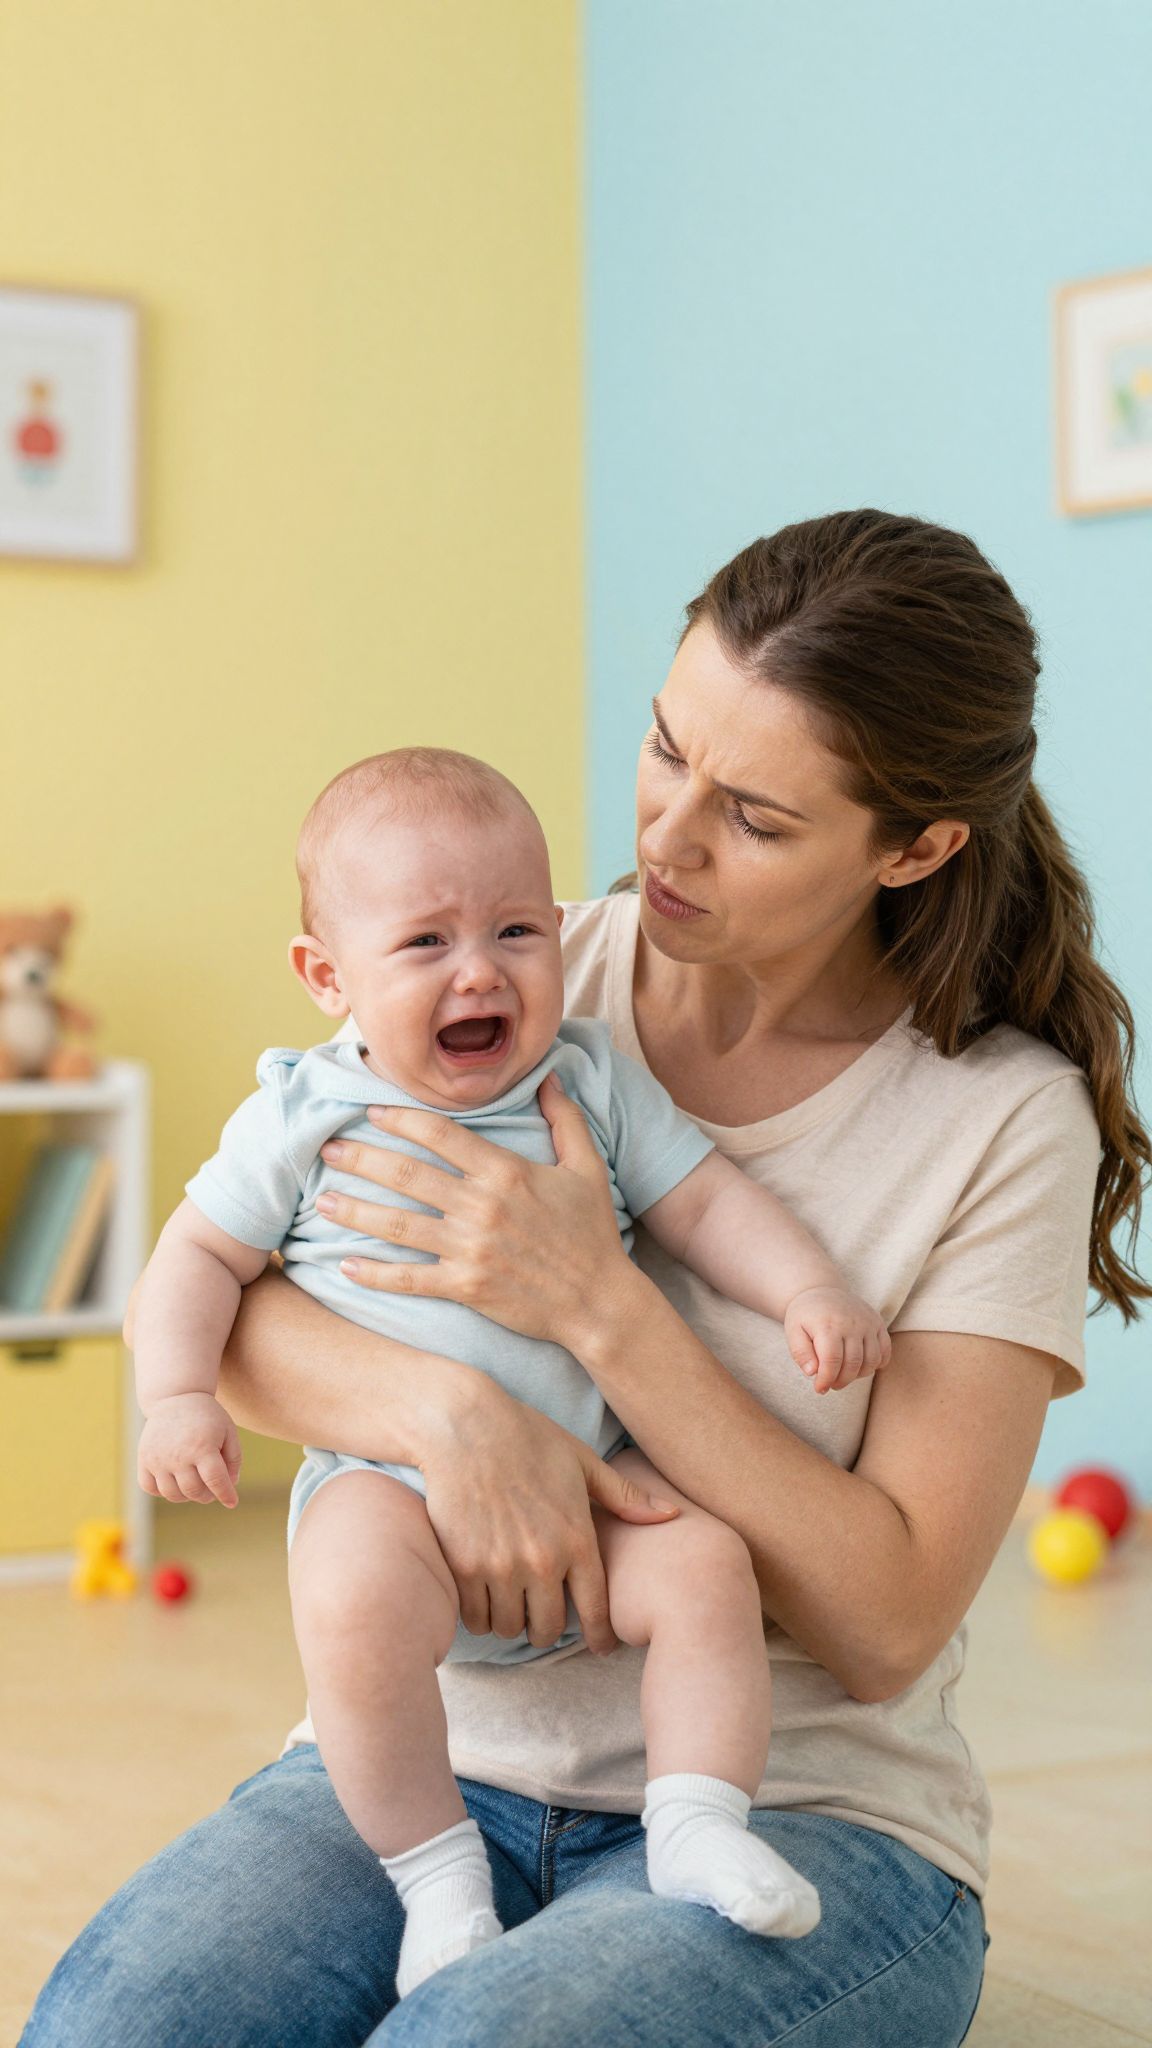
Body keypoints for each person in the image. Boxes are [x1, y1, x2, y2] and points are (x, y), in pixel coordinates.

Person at [21, 509, 1149, 2048]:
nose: (669, 837)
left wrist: (601, 1310)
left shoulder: (998, 1117)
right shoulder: (515, 967)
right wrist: (447, 1417)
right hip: (438, 1760)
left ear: (916, 845)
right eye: (667, 747)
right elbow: (244, 1310)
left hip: (809, 1813)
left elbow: (886, 1618)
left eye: (754, 816)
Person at [129, 746, 892, 1994]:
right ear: (328, 977)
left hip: (595, 1492)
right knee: (354, 1598)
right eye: (424, 942)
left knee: (704, 1561)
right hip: (389, 1487)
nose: (480, 967)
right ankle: (437, 1878)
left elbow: (706, 1204)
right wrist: (176, 1393)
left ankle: (697, 1820)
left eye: (516, 928)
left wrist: (806, 1286)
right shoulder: (307, 1110)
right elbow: (197, 1259)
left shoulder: (585, 1077)